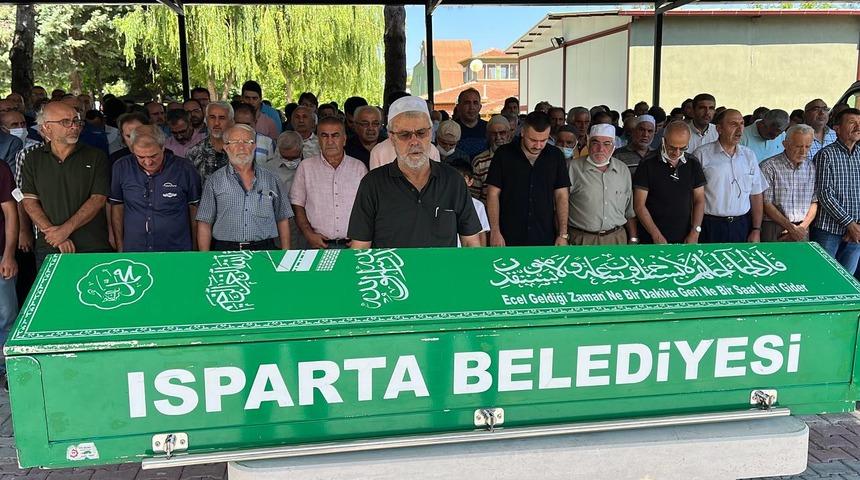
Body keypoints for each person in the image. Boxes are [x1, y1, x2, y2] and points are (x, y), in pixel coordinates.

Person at [348, 96, 482, 248]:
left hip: (442, 271)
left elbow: (471, 242)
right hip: (393, 271)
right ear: (391, 138)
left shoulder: (453, 181)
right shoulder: (372, 184)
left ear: (430, 133)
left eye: (421, 133)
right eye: (404, 135)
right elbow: (360, 248)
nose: (414, 141)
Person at [20, 102, 111, 268]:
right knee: (54, 294)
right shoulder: (33, 158)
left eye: (76, 121)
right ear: (46, 128)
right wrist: (54, 234)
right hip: (49, 246)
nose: (74, 127)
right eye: (65, 122)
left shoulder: (96, 156)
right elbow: (29, 201)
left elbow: (98, 199)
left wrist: (64, 231)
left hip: (92, 244)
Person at [196, 124, 292, 251]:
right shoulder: (214, 181)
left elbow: (283, 219)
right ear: (226, 147)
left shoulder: (272, 179)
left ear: (254, 146)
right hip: (225, 250)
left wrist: (286, 253)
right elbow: (204, 223)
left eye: (247, 142)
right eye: (235, 142)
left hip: (265, 249)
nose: (241, 147)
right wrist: (205, 258)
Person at [110, 125, 201, 252]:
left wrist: (196, 249)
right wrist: (120, 247)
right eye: (140, 157)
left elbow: (194, 209)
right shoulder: (121, 167)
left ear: (163, 147)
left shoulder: (184, 168)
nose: (148, 162)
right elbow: (117, 206)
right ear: (132, 150)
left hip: (176, 249)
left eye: (153, 156)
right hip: (135, 248)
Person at [486, 111, 570, 247]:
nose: (538, 145)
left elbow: (561, 196)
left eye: (543, 140)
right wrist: (495, 231)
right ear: (523, 132)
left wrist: (563, 234)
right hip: (508, 235)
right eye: (533, 140)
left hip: (545, 235)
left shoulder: (555, 156)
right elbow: (492, 194)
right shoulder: (503, 154)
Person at [290, 117, 366, 250]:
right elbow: (297, 205)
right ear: (318, 139)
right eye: (324, 136)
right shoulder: (306, 167)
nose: (330, 141)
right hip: (316, 244)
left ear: (344, 139)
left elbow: (368, 206)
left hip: (353, 245)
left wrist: (362, 235)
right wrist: (308, 234)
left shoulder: (358, 167)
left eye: (335, 135)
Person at [693, 109, 767, 243]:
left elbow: (756, 195)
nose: (739, 129)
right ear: (719, 129)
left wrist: (756, 229)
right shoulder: (702, 155)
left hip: (742, 225)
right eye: (733, 124)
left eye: (742, 123)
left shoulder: (749, 156)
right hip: (710, 225)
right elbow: (693, 197)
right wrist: (695, 229)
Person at [633, 121, 706, 244]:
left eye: (682, 148)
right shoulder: (647, 163)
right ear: (663, 141)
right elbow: (639, 205)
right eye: (672, 147)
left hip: (686, 236)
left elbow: (699, 199)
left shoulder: (693, 163)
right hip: (651, 237)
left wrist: (695, 232)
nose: (677, 153)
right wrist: (655, 235)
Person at [567, 124, 636, 245]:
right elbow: (558, 208)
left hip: (617, 239)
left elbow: (629, 211)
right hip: (581, 240)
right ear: (588, 144)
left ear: (614, 146)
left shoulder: (623, 170)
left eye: (607, 144)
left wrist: (633, 238)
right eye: (595, 143)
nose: (600, 149)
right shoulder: (572, 168)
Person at [811, 108, 860, 272]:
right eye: (852, 123)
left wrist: (856, 225)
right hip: (828, 230)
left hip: (857, 230)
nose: (858, 127)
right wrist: (849, 224)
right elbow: (824, 194)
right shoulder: (825, 155)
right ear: (837, 129)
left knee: (848, 282)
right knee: (824, 277)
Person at [760, 124, 817, 242]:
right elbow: (766, 203)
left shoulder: (811, 167)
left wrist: (801, 228)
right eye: (798, 146)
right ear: (785, 144)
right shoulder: (769, 167)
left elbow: (814, 202)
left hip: (802, 227)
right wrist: (791, 228)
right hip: (774, 227)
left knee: (799, 260)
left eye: (808, 146)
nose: (803, 151)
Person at [187, 101, 233, 183]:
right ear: (206, 120)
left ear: (231, 122)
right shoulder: (194, 153)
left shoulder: (240, 150)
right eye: (212, 117)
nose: (216, 123)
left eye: (222, 118)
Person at [471, 115, 511, 200]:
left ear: (508, 134)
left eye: (502, 133)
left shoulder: (518, 158)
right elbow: (474, 197)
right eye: (494, 133)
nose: (498, 137)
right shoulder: (479, 161)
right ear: (488, 136)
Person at [452, 163, 489, 246]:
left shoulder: (478, 206)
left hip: (469, 253)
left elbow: (482, 234)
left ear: (470, 181)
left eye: (462, 179)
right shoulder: (445, 203)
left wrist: (481, 256)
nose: (457, 184)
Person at [454, 88, 488, 159]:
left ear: (480, 107)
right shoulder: (451, 129)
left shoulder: (489, 128)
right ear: (458, 107)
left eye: (475, 103)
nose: (471, 107)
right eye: (467, 103)